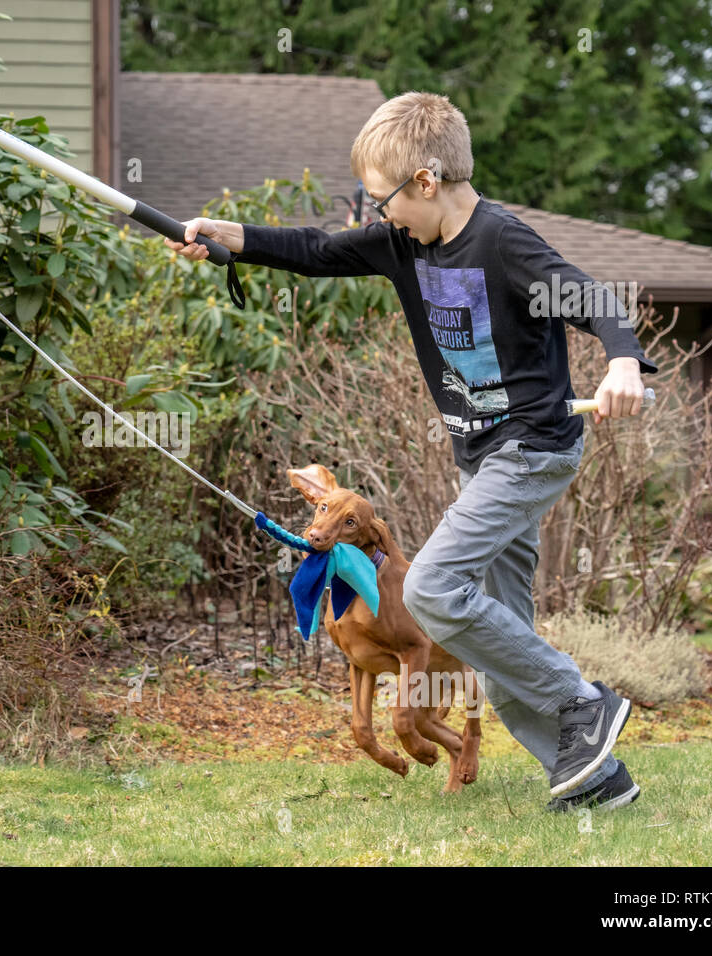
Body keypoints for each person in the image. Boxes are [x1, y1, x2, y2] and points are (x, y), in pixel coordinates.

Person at [166, 91, 656, 813]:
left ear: (426, 181)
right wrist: (224, 236)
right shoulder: (402, 245)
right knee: (500, 635)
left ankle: (582, 701)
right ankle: (593, 781)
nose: (375, 217)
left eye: (381, 199)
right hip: (482, 461)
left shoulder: (501, 242)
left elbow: (591, 298)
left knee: (429, 590)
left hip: (533, 448)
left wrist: (622, 363)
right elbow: (312, 249)